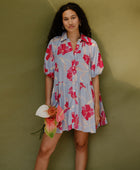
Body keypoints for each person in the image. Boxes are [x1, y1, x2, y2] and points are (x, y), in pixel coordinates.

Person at [34, 2, 107, 170]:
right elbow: (49, 76)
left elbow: (95, 77)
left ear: (80, 20)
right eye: (66, 19)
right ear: (62, 23)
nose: (70, 22)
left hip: (85, 104)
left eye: (73, 17)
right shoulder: (54, 44)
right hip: (59, 104)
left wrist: (96, 109)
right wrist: (48, 107)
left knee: (81, 145)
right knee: (45, 149)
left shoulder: (91, 45)